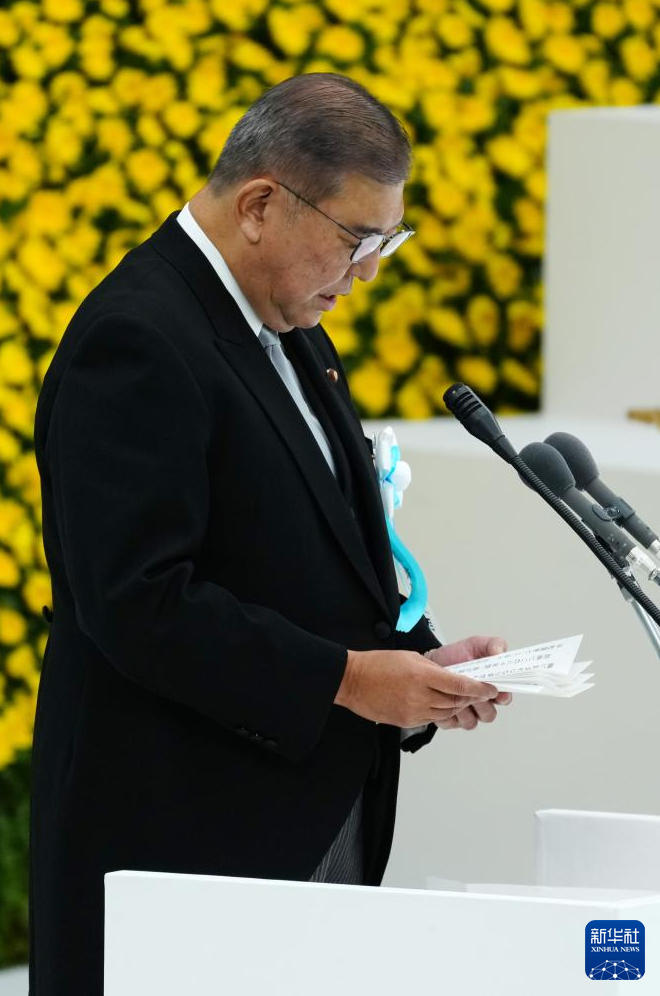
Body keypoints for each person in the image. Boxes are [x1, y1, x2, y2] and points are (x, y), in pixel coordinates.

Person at [30, 72, 511, 996]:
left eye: (387, 241)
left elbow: (307, 550)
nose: (368, 270)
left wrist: (419, 663)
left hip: (292, 835)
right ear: (259, 206)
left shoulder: (287, 320)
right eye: (357, 239)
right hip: (178, 848)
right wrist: (348, 680)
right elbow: (139, 603)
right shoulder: (136, 339)